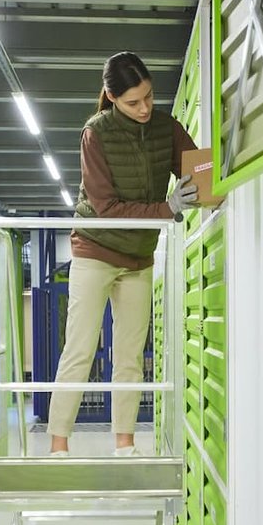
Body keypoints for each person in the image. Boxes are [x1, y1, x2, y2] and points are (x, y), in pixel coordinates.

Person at [47, 51, 199, 456]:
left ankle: (125, 444)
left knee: (130, 354)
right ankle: (59, 443)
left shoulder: (166, 127)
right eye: (133, 102)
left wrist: (211, 187)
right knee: (80, 348)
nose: (145, 108)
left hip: (138, 256)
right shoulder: (95, 133)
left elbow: (200, 169)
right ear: (113, 98)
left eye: (149, 96)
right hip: (95, 248)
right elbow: (106, 207)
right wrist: (168, 208)